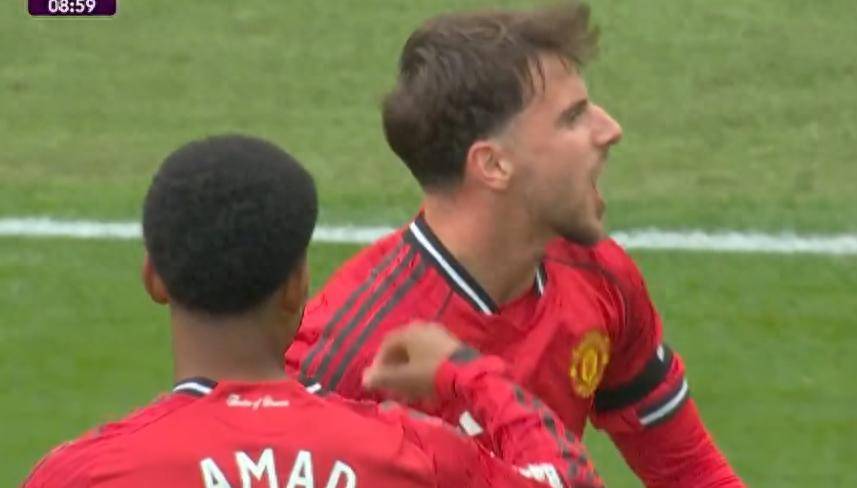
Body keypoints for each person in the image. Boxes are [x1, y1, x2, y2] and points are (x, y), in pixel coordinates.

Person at [286, 2, 744, 487]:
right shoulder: (339, 362)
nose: (610, 130)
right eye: (573, 117)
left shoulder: (600, 277)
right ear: (493, 165)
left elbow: (692, 474)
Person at [24, 134, 602, 487]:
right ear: (296, 286)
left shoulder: (87, 474)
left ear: (154, 278)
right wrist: (468, 373)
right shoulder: (409, 455)